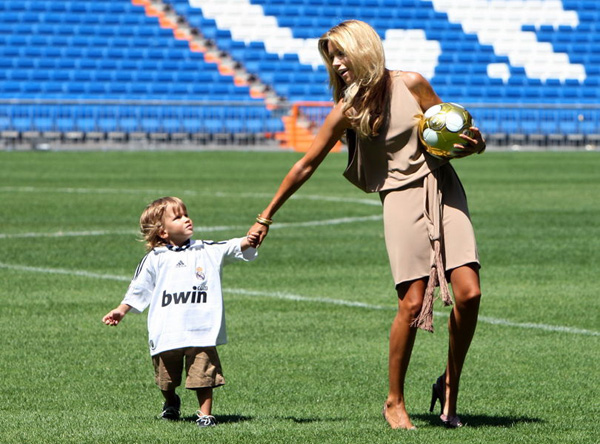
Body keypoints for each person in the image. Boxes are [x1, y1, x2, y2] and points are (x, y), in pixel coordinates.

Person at [248, 20, 485, 430]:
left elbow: (453, 133)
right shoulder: (347, 110)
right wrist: (265, 215)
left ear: (364, 49)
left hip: (444, 188)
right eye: (331, 58)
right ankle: (394, 402)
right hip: (399, 199)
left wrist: (475, 144)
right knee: (411, 303)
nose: (337, 64)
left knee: (469, 294)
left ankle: (450, 386)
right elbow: (305, 164)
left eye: (342, 53)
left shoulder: (412, 83)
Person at [103, 196, 259, 428]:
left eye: (186, 214)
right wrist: (121, 310)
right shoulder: (155, 259)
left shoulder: (206, 250)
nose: (187, 219)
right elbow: (138, 288)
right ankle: (171, 401)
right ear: (163, 232)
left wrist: (252, 237)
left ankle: (205, 414)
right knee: (166, 380)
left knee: (204, 375)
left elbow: (234, 246)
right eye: (178, 217)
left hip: (201, 329)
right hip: (167, 331)